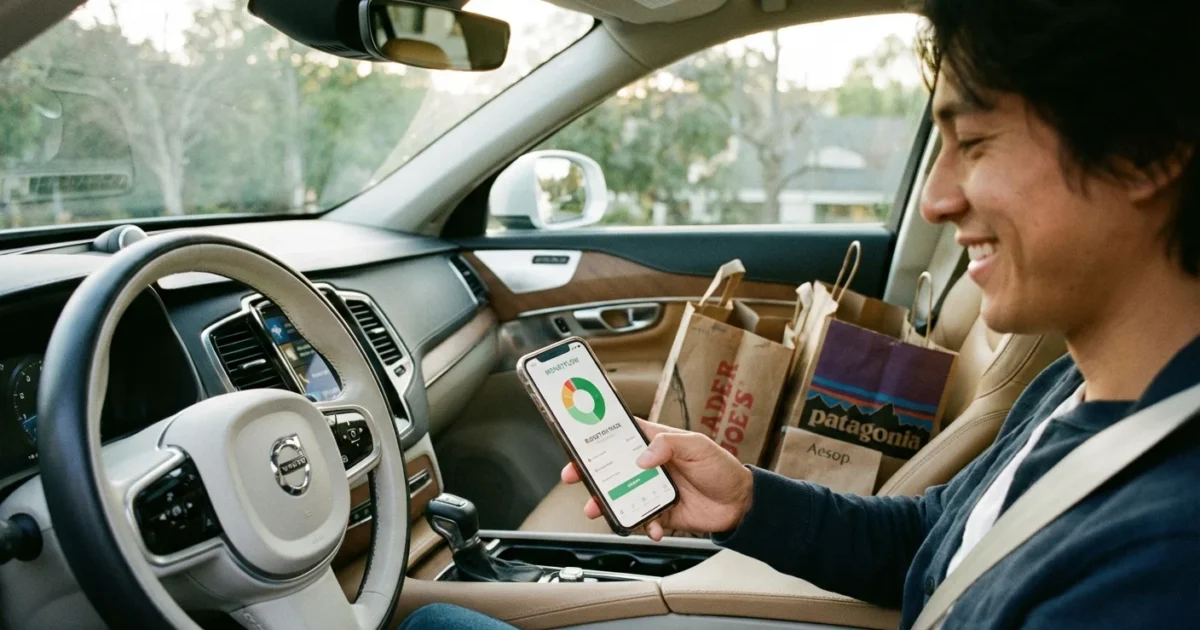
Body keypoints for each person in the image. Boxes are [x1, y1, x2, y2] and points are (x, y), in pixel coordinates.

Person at [401, 0, 1200, 627]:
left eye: (978, 143)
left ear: (1147, 151)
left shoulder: (1163, 561)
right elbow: (934, 543)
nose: (938, 196)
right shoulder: (1074, 386)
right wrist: (745, 500)